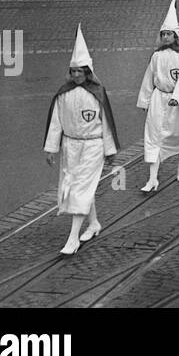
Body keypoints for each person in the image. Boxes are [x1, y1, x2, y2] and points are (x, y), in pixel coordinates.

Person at [44, 27, 120, 254]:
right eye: (73, 71)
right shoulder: (63, 94)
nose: (76, 75)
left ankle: (72, 238)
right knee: (78, 187)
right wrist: (51, 148)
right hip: (70, 145)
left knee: (80, 189)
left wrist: (110, 150)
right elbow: (56, 122)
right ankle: (94, 223)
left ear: (87, 72)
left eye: (80, 71)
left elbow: (106, 123)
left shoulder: (97, 93)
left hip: (93, 145)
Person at [136, 0, 179, 192]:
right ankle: (152, 178)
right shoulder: (156, 56)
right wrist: (145, 100)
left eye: (169, 34)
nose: (165, 37)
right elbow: (149, 78)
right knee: (153, 135)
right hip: (158, 99)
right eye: (163, 34)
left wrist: (176, 97)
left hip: (176, 102)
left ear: (175, 36)